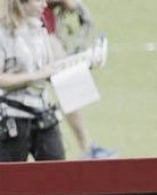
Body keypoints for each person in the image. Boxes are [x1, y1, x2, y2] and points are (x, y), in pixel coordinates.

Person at [0, 0, 66, 162]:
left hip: (44, 115)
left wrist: (82, 62)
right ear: (21, 3)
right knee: (8, 183)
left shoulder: (39, 27)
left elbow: (48, 68)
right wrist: (34, 76)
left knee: (59, 179)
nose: (44, 4)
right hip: (11, 121)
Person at [44, 0, 118, 159]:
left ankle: (87, 147)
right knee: (68, 82)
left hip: (41, 29)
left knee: (67, 83)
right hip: (40, 31)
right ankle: (87, 148)